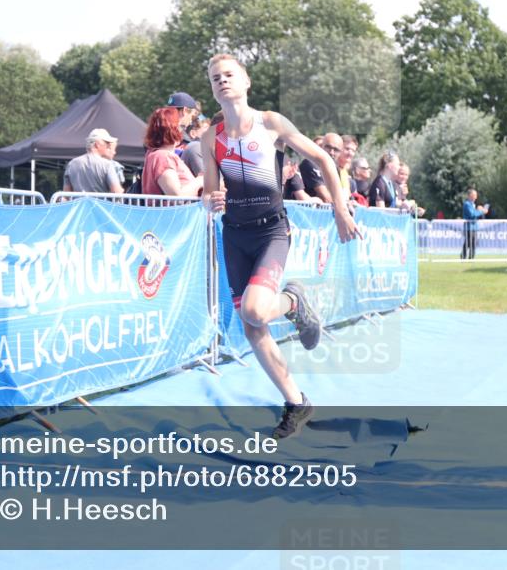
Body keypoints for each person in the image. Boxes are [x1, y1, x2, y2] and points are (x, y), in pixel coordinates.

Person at [201, 54, 358, 440]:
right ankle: (297, 401)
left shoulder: (269, 123)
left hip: (271, 231)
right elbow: (208, 190)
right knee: (252, 327)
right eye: (215, 78)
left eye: (229, 75)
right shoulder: (211, 138)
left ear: (246, 81)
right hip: (235, 235)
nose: (222, 81)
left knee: (256, 310)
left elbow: (321, 157)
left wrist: (339, 208)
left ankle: (293, 300)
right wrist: (211, 198)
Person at [141, 108, 204, 196]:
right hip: (176, 209)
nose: (182, 132)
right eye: (181, 126)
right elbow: (177, 196)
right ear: (172, 130)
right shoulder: (163, 157)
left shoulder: (156, 154)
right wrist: (200, 180)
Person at [63, 128, 124, 194]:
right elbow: (117, 192)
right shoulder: (107, 165)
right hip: (100, 204)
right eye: (106, 143)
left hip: (79, 204)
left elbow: (66, 194)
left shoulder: (72, 164)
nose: (108, 146)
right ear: (97, 145)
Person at [299, 132, 343, 202]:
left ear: (341, 152)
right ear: (321, 146)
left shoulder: (335, 169)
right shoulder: (309, 163)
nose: (332, 152)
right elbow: (326, 197)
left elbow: (337, 194)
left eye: (336, 150)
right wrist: (344, 204)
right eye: (328, 147)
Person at [461, 188, 486, 260]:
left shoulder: (473, 205)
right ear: (469, 196)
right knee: (468, 243)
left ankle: (471, 258)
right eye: (474, 195)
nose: (476, 197)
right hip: (469, 227)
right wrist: (481, 211)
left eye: (476, 195)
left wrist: (481, 210)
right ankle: (464, 256)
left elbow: (475, 213)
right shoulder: (467, 204)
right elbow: (472, 214)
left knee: (473, 243)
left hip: (474, 227)